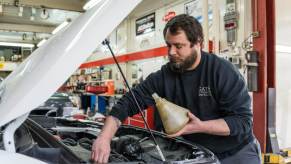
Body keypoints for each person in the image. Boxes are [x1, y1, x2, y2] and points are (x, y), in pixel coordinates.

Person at [91, 14, 261, 164]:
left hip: (237, 153)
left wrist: (200, 126)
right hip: (199, 153)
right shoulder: (164, 76)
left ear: (198, 44)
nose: (171, 52)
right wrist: (104, 138)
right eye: (168, 45)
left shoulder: (221, 71)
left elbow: (242, 121)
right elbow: (127, 103)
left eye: (178, 46)